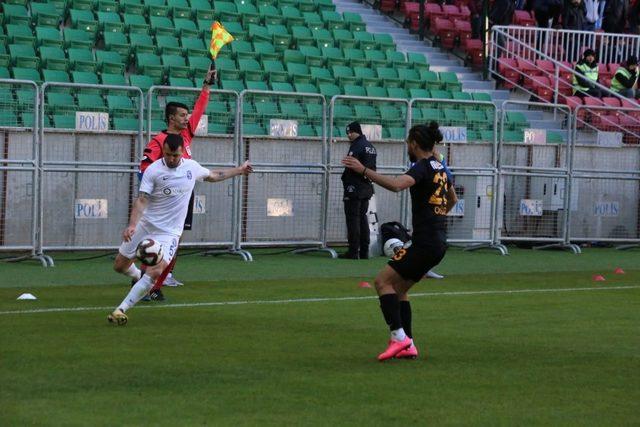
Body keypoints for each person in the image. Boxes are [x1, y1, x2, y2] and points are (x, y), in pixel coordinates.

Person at [108, 134, 253, 325]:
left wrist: (240, 170)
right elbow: (142, 199)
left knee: (156, 271)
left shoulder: (191, 167)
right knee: (119, 266)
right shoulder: (153, 170)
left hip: (169, 233)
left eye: (175, 155)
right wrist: (133, 224)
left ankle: (121, 309)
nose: (171, 159)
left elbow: (214, 175)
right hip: (146, 225)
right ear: (164, 151)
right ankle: (137, 276)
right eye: (167, 154)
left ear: (182, 152)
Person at [342, 122, 458, 361]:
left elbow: (396, 186)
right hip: (438, 242)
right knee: (399, 289)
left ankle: (399, 337)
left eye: (407, 142)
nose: (407, 146)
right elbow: (453, 199)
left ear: (414, 143)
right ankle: (409, 344)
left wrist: (364, 170)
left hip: (425, 243)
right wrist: (434, 218)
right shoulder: (440, 168)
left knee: (382, 281)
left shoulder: (422, 167)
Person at [133, 67, 217, 301]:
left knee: (175, 242)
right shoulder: (159, 141)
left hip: (182, 197)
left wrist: (206, 86)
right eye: (182, 115)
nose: (187, 118)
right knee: (151, 241)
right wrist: (153, 194)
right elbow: (144, 170)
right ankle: (143, 279)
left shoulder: (186, 138)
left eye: (187, 116)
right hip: (162, 200)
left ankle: (155, 284)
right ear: (171, 118)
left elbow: (199, 111)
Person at [339, 122, 377, 260]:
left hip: (354, 187)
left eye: (350, 132)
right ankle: (364, 251)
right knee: (362, 218)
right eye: (347, 133)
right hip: (367, 186)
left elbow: (351, 165)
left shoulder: (356, 146)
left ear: (357, 131)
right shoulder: (371, 146)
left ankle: (353, 251)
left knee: (353, 219)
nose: (349, 135)